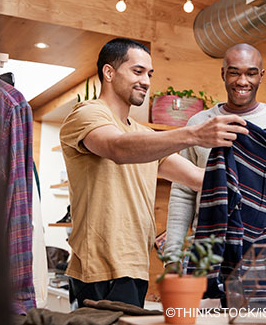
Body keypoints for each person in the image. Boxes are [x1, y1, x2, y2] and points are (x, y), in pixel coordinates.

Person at [59, 38, 249, 308]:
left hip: (135, 269)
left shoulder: (144, 136)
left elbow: (199, 179)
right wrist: (193, 134)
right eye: (137, 71)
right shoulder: (87, 114)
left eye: (149, 74)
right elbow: (117, 147)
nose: (146, 81)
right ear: (109, 72)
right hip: (98, 271)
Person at [165, 43, 266, 269]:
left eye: (251, 73)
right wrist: (172, 256)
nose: (243, 81)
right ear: (223, 74)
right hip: (206, 251)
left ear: (261, 76)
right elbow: (182, 192)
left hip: (264, 255)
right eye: (234, 72)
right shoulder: (200, 124)